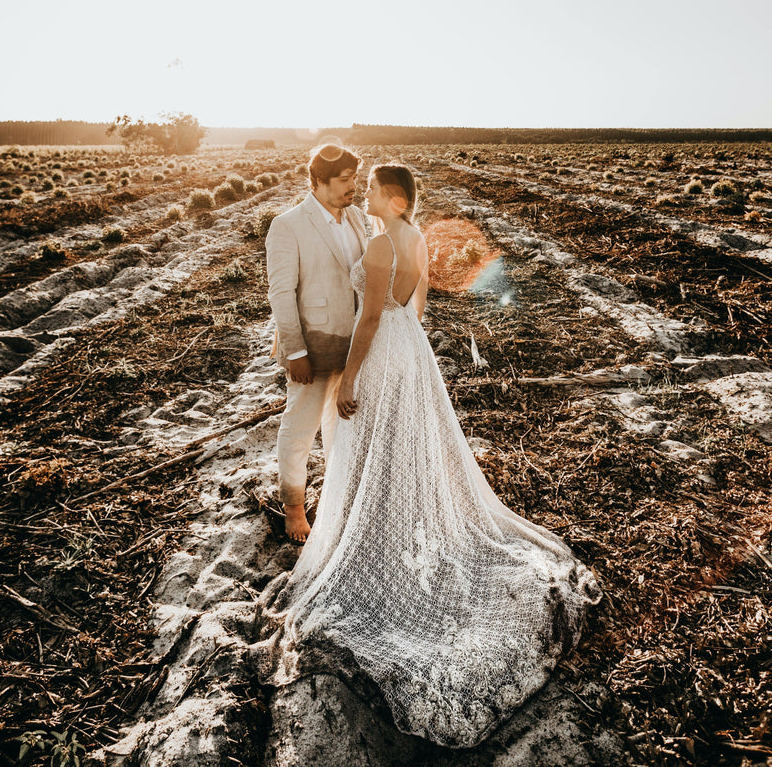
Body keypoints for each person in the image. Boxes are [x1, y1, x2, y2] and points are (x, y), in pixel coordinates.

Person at [254, 162, 601, 748]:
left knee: (370, 439)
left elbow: (370, 317)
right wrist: (402, 347)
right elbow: (410, 309)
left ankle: (370, 528)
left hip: (376, 349)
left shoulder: (384, 238)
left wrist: (359, 371)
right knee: (388, 441)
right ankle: (331, 508)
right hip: (400, 348)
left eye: (367, 188)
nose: (360, 194)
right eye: (352, 184)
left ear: (389, 198)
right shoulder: (404, 233)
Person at [265, 144, 367, 544]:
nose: (352, 187)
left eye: (355, 179)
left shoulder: (358, 217)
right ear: (317, 181)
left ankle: (338, 502)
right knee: (300, 431)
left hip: (356, 344)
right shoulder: (288, 224)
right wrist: (296, 351)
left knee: (345, 428)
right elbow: (281, 293)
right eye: (344, 180)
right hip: (313, 346)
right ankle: (293, 508)